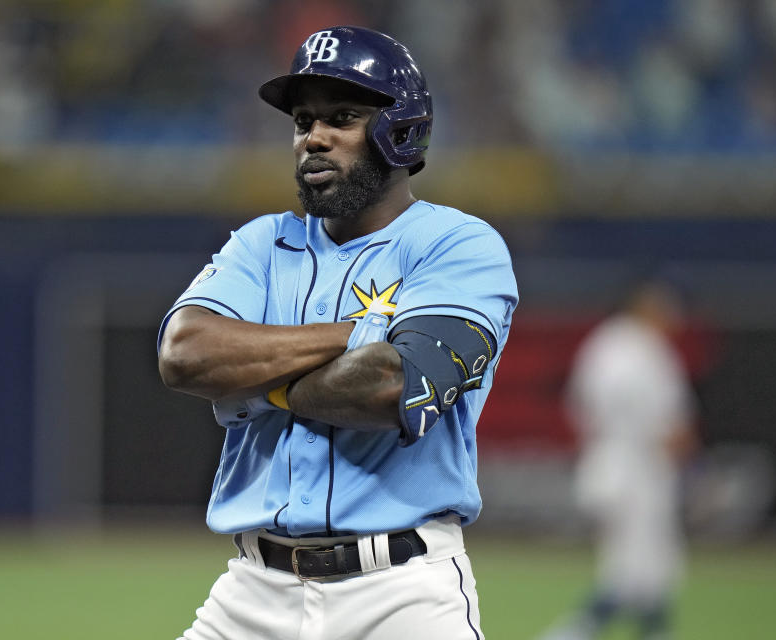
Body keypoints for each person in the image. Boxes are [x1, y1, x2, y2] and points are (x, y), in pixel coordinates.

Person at [157, 26, 518, 640]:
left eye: (342, 117)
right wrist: (362, 332)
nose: (313, 138)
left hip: (401, 595)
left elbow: (387, 386)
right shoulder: (261, 244)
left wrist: (256, 385)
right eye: (302, 122)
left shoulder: (458, 245)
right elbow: (185, 355)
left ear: (399, 132)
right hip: (253, 592)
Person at [540, 280, 699, 640]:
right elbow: (668, 425)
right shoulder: (643, 349)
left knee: (642, 564)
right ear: (644, 307)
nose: (673, 316)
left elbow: (580, 406)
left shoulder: (605, 344)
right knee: (639, 567)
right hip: (638, 467)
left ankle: (648, 632)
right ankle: (573, 632)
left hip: (604, 459)